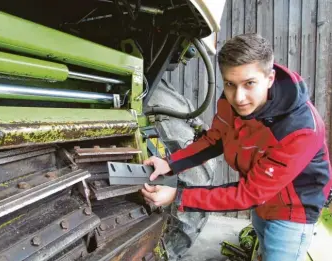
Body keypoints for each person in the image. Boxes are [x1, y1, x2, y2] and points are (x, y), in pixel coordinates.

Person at [141, 33, 332, 261]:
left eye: (249, 84)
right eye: (230, 84)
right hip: (262, 200)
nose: (239, 98)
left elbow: (249, 193)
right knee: (262, 251)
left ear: (270, 78)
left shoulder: (300, 129)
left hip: (292, 211)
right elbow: (215, 140)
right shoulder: (232, 100)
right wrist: (170, 164)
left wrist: (177, 196)